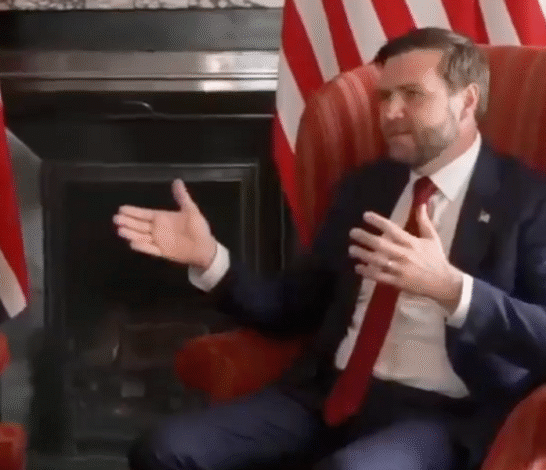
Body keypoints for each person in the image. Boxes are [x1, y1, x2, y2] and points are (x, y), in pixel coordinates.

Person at [114, 27, 546, 470]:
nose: (390, 112)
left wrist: (452, 289)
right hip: (327, 394)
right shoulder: (367, 188)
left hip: (439, 416)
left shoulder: (527, 201)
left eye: (412, 95)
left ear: (467, 100)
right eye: (384, 97)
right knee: (163, 449)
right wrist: (209, 258)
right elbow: (292, 306)